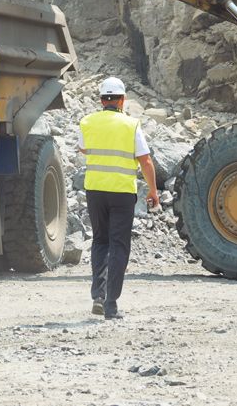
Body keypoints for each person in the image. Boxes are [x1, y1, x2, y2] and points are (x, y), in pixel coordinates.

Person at [77, 76, 158, 320]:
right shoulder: (131, 125)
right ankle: (111, 304)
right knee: (119, 245)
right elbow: (145, 160)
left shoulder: (87, 121)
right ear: (122, 100)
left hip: (95, 191)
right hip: (122, 193)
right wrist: (153, 191)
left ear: (102, 100)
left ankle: (98, 295)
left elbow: (83, 149)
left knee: (100, 241)